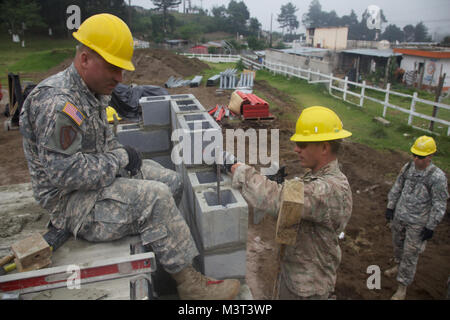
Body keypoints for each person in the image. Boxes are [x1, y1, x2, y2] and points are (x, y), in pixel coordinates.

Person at [19, 13, 240, 300]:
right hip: (71, 203)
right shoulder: (59, 104)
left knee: (171, 181)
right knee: (156, 197)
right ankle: (190, 286)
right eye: (113, 68)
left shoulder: (92, 90)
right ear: (85, 59)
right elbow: (65, 173)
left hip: (94, 182)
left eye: (122, 70)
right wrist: (121, 159)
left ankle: (166, 257)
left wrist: (120, 156)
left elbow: (102, 144)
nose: (120, 78)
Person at [230, 106, 353, 299]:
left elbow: (281, 200)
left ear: (324, 147)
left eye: (303, 144)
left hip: (308, 289)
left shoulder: (329, 189)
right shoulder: (315, 177)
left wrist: (241, 171)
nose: (296, 149)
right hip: (294, 274)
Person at [384, 135, 448, 300]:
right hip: (399, 217)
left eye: (420, 156)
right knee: (398, 246)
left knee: (410, 255)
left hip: (418, 224)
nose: (415, 159)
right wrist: (390, 206)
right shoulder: (408, 168)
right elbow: (398, 186)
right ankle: (398, 266)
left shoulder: (437, 177)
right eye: (414, 155)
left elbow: (439, 203)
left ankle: (402, 287)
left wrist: (431, 226)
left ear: (430, 156)